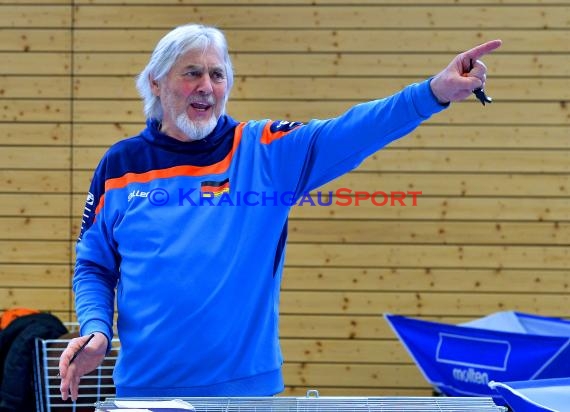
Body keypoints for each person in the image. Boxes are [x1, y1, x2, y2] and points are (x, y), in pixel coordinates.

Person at [59, 23, 501, 400]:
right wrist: (97, 328)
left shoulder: (266, 151)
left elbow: (353, 130)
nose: (206, 87)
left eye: (217, 74)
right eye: (191, 73)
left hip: (246, 392)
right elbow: (93, 264)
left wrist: (433, 93)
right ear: (155, 82)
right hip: (145, 392)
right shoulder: (119, 166)